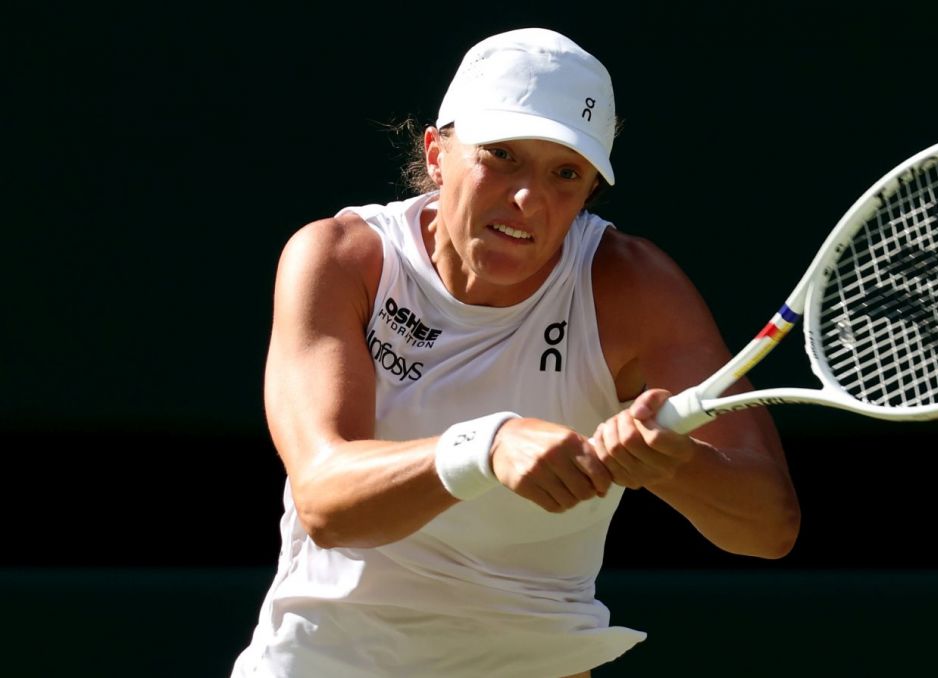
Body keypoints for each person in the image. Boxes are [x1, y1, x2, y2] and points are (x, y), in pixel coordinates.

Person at [230, 27, 800, 678]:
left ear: (589, 190)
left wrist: (671, 465)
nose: (529, 198)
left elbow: (768, 528)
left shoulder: (633, 290)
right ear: (437, 153)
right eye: (501, 155)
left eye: (565, 173)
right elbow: (326, 501)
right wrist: (488, 446)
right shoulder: (344, 260)